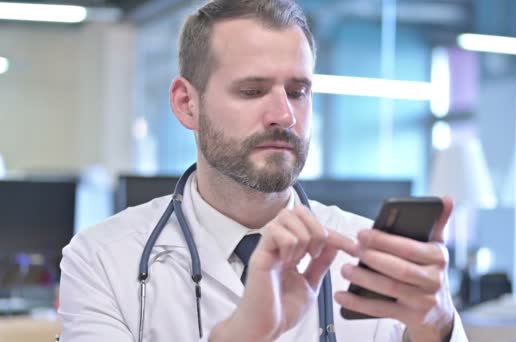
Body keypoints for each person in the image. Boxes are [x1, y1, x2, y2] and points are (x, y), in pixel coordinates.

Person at [58, 0, 468, 341]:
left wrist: (438, 326)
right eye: (252, 91)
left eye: (297, 91)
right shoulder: (101, 260)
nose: (284, 115)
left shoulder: (371, 263)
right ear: (187, 103)